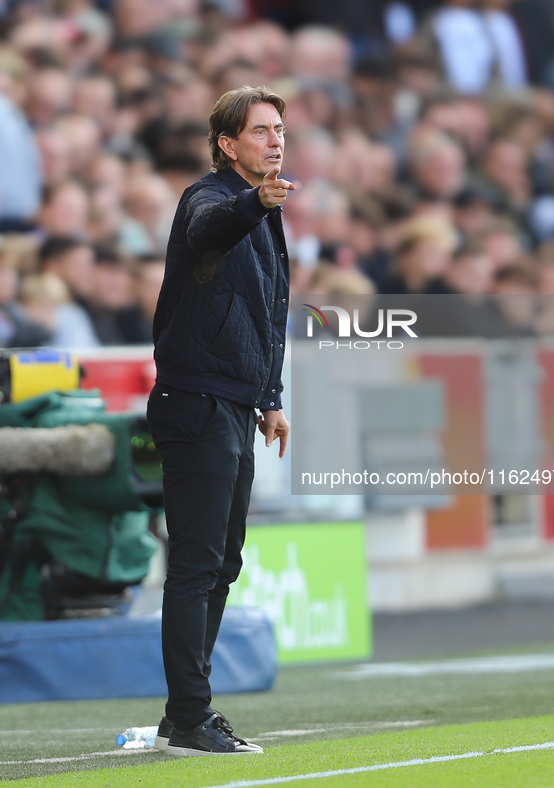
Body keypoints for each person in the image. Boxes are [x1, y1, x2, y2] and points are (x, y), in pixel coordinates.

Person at [147, 85, 293, 757]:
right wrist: (251, 203)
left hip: (230, 405)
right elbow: (209, 229)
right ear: (228, 145)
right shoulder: (211, 199)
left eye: (279, 129)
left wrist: (270, 395)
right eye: (261, 130)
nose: (275, 139)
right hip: (195, 402)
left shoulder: (261, 211)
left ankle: (185, 714)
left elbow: (266, 315)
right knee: (198, 564)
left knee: (222, 562)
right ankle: (189, 717)